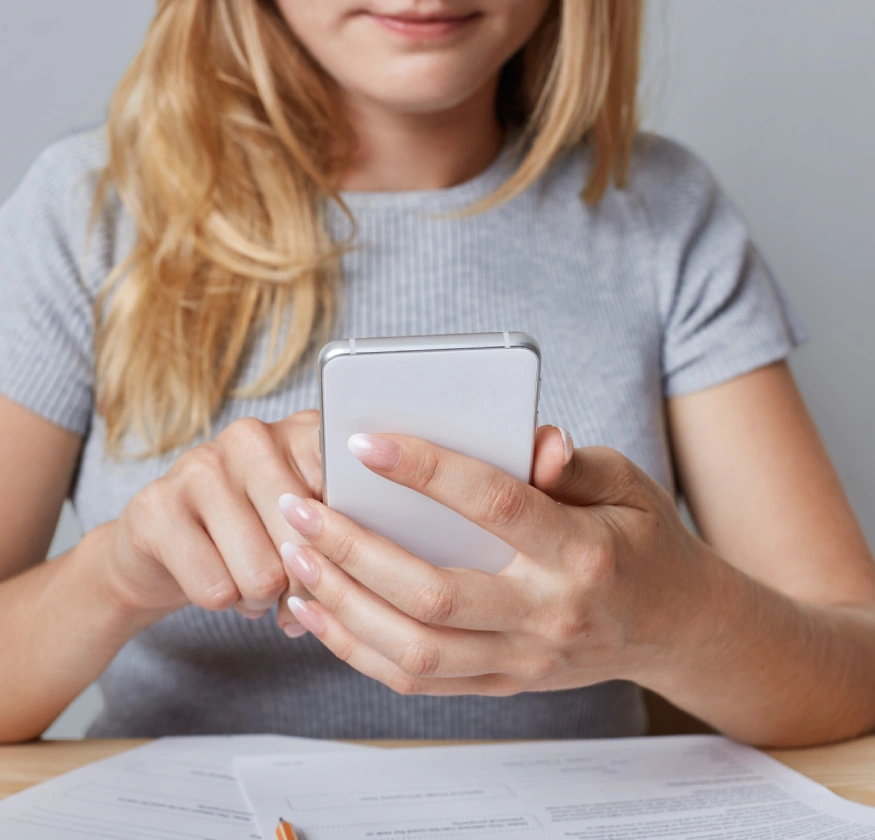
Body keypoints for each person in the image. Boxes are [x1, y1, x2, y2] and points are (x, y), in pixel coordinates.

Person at [1, 0, 873, 748]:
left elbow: (857, 665)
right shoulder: (88, 212)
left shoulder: (660, 213)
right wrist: (118, 574)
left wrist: (672, 618)